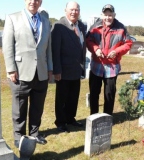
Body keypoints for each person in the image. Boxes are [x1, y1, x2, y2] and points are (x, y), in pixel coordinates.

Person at [2, 0, 53, 148]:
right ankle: (19, 136)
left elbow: (48, 48)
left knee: (38, 106)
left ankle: (34, 133)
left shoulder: (45, 21)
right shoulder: (13, 18)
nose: (33, 2)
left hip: (41, 72)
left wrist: (49, 68)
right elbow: (7, 45)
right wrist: (11, 69)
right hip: (20, 71)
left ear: (40, 2)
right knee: (19, 107)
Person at [86, 4, 133, 115]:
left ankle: (107, 117)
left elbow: (128, 43)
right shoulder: (95, 27)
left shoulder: (121, 28)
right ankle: (94, 116)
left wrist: (116, 52)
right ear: (102, 15)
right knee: (94, 93)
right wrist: (96, 49)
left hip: (112, 66)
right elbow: (88, 40)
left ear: (114, 15)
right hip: (96, 65)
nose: (108, 17)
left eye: (110, 15)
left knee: (109, 94)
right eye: (105, 15)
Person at [51, 1, 86, 133]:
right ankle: (60, 122)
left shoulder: (81, 25)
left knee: (73, 96)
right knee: (62, 98)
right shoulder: (59, 26)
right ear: (65, 10)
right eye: (71, 9)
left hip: (77, 69)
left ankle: (70, 118)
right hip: (63, 70)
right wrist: (57, 70)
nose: (74, 12)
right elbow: (55, 50)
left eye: (76, 10)